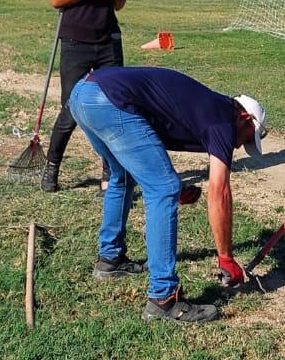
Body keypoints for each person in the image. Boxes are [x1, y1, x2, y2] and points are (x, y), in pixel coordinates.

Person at [66, 66, 268, 323]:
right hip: (109, 99)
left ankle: (110, 259)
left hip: (85, 94)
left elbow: (149, 133)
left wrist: (173, 183)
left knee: (122, 176)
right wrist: (226, 258)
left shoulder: (209, 107)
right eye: (247, 138)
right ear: (245, 118)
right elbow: (220, 193)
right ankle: (164, 298)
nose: (240, 145)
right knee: (163, 189)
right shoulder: (224, 120)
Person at [42, 0, 129, 193]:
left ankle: (110, 172)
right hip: (76, 40)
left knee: (114, 107)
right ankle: (52, 165)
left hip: (109, 41)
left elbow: (120, 5)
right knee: (71, 109)